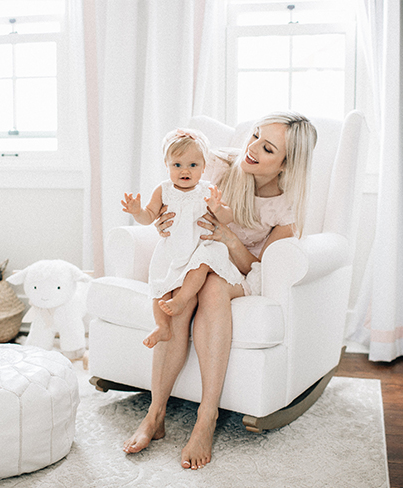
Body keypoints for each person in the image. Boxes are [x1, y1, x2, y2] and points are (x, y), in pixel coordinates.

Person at [122, 111, 317, 470]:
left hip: (237, 272)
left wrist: (228, 238)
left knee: (211, 287)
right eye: (256, 135)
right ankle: (156, 414)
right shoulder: (221, 169)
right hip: (195, 258)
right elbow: (180, 156)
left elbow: (258, 270)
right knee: (176, 304)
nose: (253, 147)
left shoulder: (284, 209)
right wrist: (165, 223)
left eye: (268, 147)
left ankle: (206, 417)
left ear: (286, 165)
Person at [122, 128, 243, 349]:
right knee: (160, 284)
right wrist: (137, 211)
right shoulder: (163, 190)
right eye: (177, 165)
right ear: (167, 166)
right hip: (173, 248)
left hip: (201, 245)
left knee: (202, 263)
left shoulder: (208, 190)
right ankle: (162, 325)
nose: (184, 170)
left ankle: (182, 298)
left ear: (203, 167)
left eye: (192, 165)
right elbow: (149, 216)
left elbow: (228, 217)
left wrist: (218, 207)